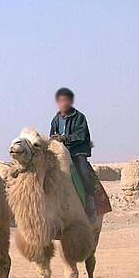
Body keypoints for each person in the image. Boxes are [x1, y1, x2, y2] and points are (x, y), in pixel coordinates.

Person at [50, 87, 96, 222]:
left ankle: (90, 201)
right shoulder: (56, 119)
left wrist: (65, 138)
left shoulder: (79, 117)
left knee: (83, 170)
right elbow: (51, 135)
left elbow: (81, 135)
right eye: (60, 100)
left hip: (77, 151)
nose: (63, 103)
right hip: (60, 152)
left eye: (65, 100)